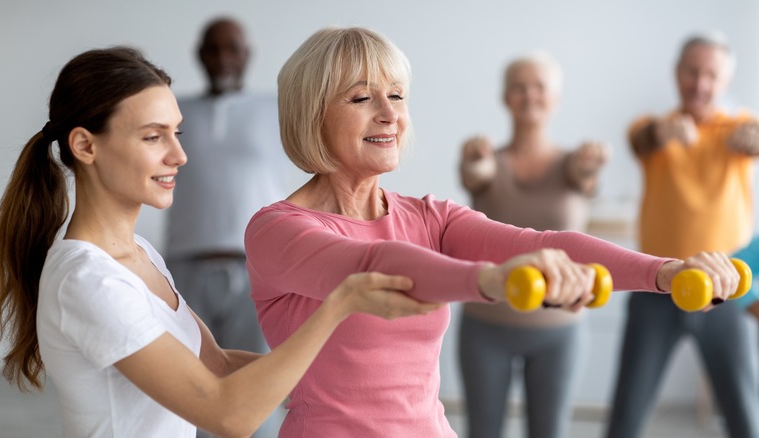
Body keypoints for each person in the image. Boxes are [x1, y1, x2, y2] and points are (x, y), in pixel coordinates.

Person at [244, 26, 741, 437]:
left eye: (396, 95)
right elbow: (375, 268)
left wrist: (668, 271)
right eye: (361, 98)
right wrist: (495, 281)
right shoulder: (277, 230)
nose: (390, 113)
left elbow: (542, 243)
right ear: (312, 112)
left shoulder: (429, 216)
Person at [0, 46, 441, 438]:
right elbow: (229, 415)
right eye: (153, 136)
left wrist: (362, 382)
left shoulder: (139, 256)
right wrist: (338, 306)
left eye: (177, 132)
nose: (179, 155)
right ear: (86, 147)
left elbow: (218, 366)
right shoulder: (89, 281)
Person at [604, 33, 759, 438]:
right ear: (677, 73)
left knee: (746, 416)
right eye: (693, 72)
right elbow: (641, 138)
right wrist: (665, 133)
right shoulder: (652, 129)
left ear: (725, 81)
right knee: (626, 416)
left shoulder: (742, 128)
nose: (700, 84)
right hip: (655, 285)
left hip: (728, 289)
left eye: (711, 75)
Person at [458, 52, 609, 438]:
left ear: (555, 97)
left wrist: (592, 165)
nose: (529, 95)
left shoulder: (576, 163)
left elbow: (587, 176)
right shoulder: (487, 160)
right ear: (506, 97)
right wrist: (474, 159)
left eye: (539, 87)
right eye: (519, 87)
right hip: (486, 327)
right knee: (483, 432)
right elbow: (476, 174)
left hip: (560, 331)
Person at [164, 17, 288, 356]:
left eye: (232, 48)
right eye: (213, 49)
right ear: (199, 55)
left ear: (247, 54)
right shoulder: (172, 112)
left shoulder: (278, 110)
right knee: (186, 380)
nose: (223, 58)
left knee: (256, 377)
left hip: (258, 269)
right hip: (185, 268)